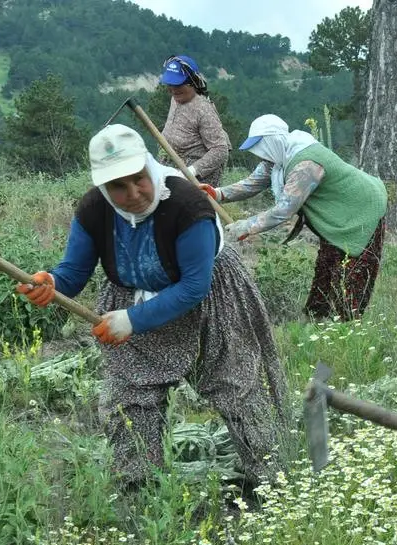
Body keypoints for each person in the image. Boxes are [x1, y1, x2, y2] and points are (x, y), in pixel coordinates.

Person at [16, 124, 286, 493]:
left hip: (212, 300)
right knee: (129, 395)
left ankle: (271, 482)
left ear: (148, 166)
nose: (133, 194)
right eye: (118, 187)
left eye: (138, 179)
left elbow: (194, 286)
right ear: (103, 186)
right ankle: (139, 485)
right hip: (132, 300)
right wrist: (52, 284)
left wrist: (132, 320)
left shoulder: (187, 204)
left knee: (235, 385)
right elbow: (75, 271)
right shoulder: (94, 209)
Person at [201, 114, 388, 322]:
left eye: (261, 148)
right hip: (337, 220)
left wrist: (246, 226)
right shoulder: (279, 158)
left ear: (272, 142)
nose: (260, 155)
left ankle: (350, 329)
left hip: (362, 212)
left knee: (349, 278)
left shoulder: (306, 164)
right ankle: (317, 322)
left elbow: (284, 210)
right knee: (326, 269)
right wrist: (217, 193)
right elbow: (252, 183)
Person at [159, 55, 231, 186]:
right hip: (173, 165)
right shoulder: (175, 99)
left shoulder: (203, 110)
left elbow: (220, 150)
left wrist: (190, 172)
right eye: (170, 84)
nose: (173, 89)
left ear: (192, 82)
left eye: (178, 84)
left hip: (197, 179)